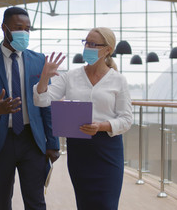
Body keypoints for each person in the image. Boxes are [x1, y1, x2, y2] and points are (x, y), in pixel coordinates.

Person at [33, 27, 133, 210]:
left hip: (107, 150)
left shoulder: (118, 80)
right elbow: (41, 100)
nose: (87, 47)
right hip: (80, 150)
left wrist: (101, 126)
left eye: (93, 44)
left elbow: (126, 119)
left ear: (108, 50)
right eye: (85, 42)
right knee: (85, 204)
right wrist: (44, 79)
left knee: (107, 205)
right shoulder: (71, 76)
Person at [0, 7, 60, 210]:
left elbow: (47, 104)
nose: (24, 33)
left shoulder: (39, 61)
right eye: (19, 28)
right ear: (4, 28)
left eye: (28, 29)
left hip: (32, 140)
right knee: (1, 200)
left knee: (36, 201)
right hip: (1, 140)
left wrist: (53, 142)